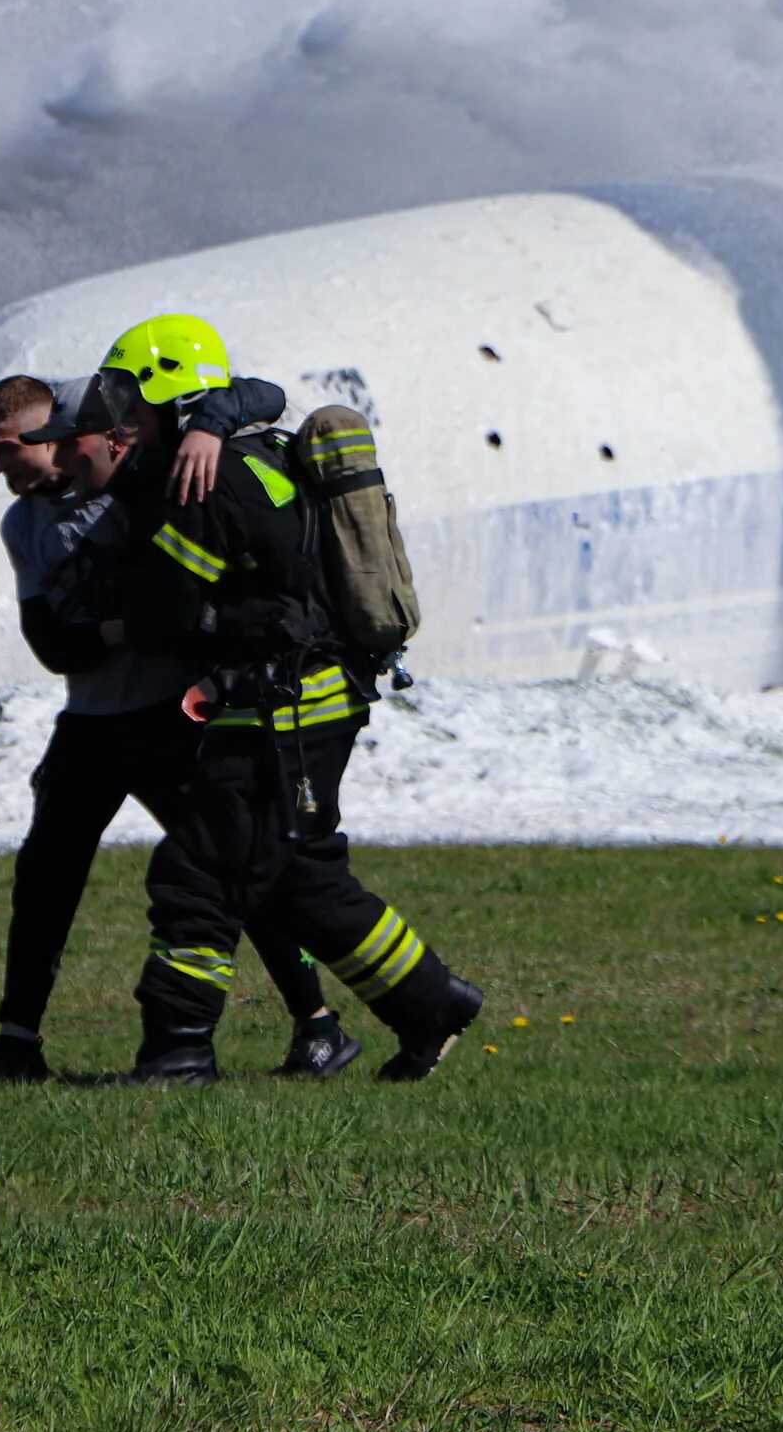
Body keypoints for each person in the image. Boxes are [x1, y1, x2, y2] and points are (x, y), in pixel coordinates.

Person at [31, 316, 487, 1083]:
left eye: (131, 402)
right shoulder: (256, 451)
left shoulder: (202, 485)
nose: (124, 421)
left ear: (172, 397)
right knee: (299, 878)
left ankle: (178, 1053)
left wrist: (95, 605)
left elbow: (163, 616)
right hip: (308, 700)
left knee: (197, 875)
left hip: (278, 712)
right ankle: (431, 1002)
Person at [0, 369, 358, 1083]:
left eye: (8, 448)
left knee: (235, 871)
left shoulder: (134, 483)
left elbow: (261, 395)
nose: (0, 466)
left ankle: (317, 1025)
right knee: (45, 877)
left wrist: (208, 427)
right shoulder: (22, 524)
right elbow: (54, 645)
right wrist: (133, 626)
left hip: (167, 720)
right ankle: (16, 1041)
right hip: (87, 724)